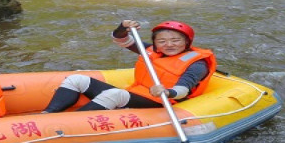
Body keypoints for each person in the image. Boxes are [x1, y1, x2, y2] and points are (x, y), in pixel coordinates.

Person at [42, 20, 217, 112]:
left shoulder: (197, 63)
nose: (169, 45)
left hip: (162, 101)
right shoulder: (150, 50)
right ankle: (48, 115)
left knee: (115, 94)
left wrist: (166, 91)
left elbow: (183, 90)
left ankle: (71, 124)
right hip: (137, 93)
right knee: (76, 79)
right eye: (162, 41)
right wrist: (122, 27)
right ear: (155, 43)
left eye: (176, 40)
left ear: (187, 42)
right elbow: (122, 39)